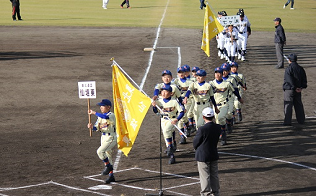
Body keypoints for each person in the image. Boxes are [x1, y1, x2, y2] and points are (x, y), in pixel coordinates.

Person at [210, 67, 243, 145]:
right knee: (218, 121)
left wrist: (239, 98)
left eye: (219, 73)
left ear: (222, 74)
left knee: (221, 118)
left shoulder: (227, 83)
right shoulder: (211, 84)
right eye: (216, 73)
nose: (217, 75)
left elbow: (234, 90)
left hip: (224, 104)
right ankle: (222, 133)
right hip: (215, 105)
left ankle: (223, 135)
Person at [152, 84, 184, 164]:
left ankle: (170, 147)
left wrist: (177, 119)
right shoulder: (159, 101)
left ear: (170, 93)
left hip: (172, 119)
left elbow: (182, 112)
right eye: (162, 91)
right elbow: (156, 112)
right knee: (166, 137)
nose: (163, 93)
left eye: (166, 91)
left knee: (166, 132)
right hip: (163, 120)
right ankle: (172, 156)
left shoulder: (174, 101)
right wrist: (154, 107)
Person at [193, 107, 221, 196]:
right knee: (214, 175)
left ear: (203, 117)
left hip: (203, 156)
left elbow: (195, 143)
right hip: (213, 153)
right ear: (213, 117)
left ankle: (206, 193)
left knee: (205, 176)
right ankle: (216, 192)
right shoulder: (218, 127)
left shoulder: (202, 129)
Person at [87, 99, 117, 184]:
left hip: (111, 137)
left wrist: (94, 113)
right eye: (100, 106)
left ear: (108, 107)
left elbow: (105, 117)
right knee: (108, 155)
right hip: (103, 138)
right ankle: (111, 176)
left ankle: (108, 167)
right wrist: (91, 127)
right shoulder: (100, 117)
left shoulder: (111, 115)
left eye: (102, 106)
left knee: (100, 151)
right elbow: (96, 128)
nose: (101, 107)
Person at [283, 53, 307, 126]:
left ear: (289, 60)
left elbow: (289, 80)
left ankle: (287, 122)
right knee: (298, 105)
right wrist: (301, 87)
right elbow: (304, 80)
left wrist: (294, 87)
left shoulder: (288, 69)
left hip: (290, 90)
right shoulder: (301, 68)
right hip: (298, 90)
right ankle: (301, 120)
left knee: (288, 106)